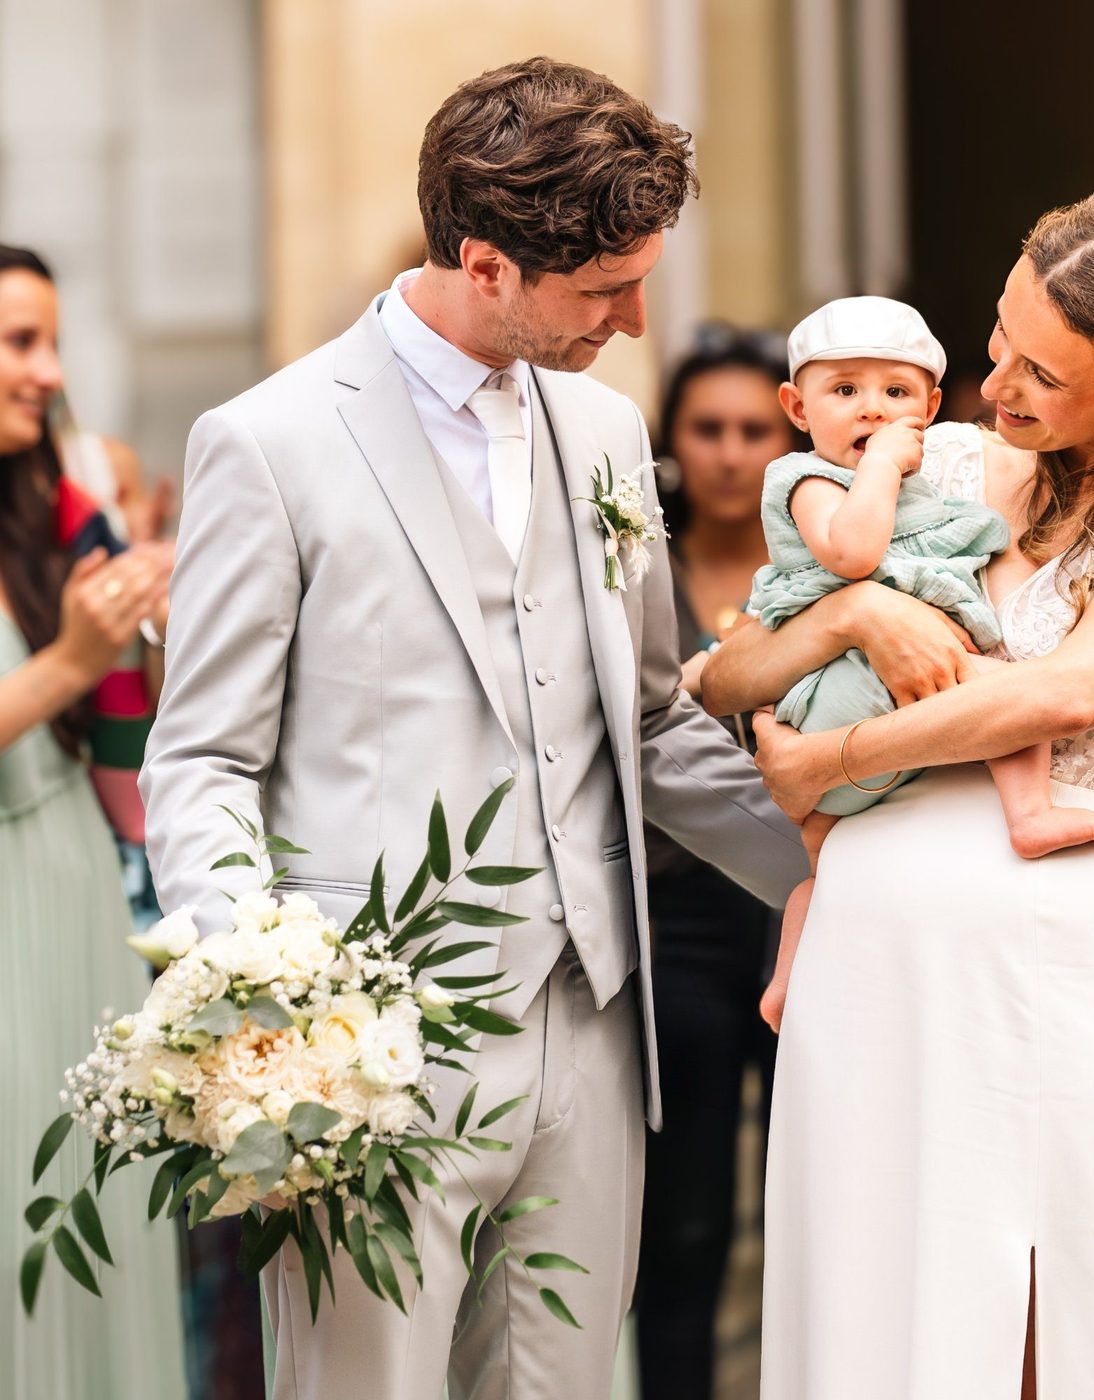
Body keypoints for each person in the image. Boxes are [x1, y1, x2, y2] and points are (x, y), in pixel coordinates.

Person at [139, 58, 808, 1400]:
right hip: (369, 1051)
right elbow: (203, 756)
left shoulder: (614, 430)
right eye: (605, 290)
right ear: (487, 260)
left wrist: (837, 862)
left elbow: (652, 719)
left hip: (600, 1035)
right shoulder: (266, 443)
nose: (634, 320)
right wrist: (261, 1009)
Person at [702, 189, 1094, 1398]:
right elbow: (732, 667)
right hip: (864, 934)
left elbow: (1067, 689)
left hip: (1039, 939)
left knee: (1025, 1295)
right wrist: (858, 609)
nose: (995, 383)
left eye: (1041, 373)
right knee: (859, 1292)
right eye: (998, 342)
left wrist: (832, 761)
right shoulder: (943, 459)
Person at [752, 296, 1094, 1031]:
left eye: (896, 394)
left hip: (882, 714)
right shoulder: (810, 481)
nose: (871, 412)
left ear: (932, 406)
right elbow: (852, 555)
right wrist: (885, 466)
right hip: (849, 683)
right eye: (844, 391)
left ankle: (790, 970)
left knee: (824, 857)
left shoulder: (923, 487)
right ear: (797, 406)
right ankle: (1030, 811)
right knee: (1012, 696)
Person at [0, 244, 185, 1397]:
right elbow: (64, 675)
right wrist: (72, 656)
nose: (47, 371)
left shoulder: (47, 508)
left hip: (68, 876)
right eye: (21, 343)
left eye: (51, 342)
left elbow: (125, 721)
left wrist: (146, 619)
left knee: (95, 1213)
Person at [634, 328, 798, 1400]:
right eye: (707, 428)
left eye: (753, 428)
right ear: (672, 437)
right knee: (681, 1223)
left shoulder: (830, 561)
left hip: (807, 908)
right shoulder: (632, 559)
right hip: (678, 914)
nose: (730, 452)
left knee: (817, 1204)